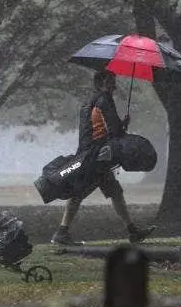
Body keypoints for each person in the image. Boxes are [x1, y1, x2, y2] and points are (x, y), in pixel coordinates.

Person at [50, 70, 155, 246]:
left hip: (92, 155)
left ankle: (133, 231)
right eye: (112, 81)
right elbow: (114, 131)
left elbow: (97, 129)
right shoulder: (104, 100)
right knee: (78, 195)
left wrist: (120, 126)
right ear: (103, 82)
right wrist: (123, 126)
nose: (115, 84)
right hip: (96, 158)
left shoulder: (89, 102)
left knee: (115, 192)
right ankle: (61, 233)